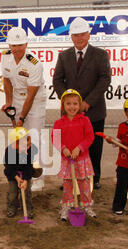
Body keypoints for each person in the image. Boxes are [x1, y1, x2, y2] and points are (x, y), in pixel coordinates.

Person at [53, 17, 111, 190]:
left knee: (94, 147)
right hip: (69, 113)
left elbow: (104, 79)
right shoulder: (64, 56)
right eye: (75, 35)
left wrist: (87, 103)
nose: (79, 38)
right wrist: (68, 103)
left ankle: (94, 178)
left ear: (89, 35)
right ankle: (70, 178)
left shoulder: (100, 55)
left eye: (82, 34)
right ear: (71, 36)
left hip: (94, 110)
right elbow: (57, 80)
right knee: (69, 146)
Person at [0, 27, 47, 192]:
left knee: (33, 138)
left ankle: (38, 177)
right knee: (17, 140)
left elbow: (31, 95)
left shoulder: (34, 64)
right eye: (14, 45)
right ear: (9, 45)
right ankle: (19, 174)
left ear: (26, 44)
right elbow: (6, 80)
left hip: (34, 101)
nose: (17, 49)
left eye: (20, 45)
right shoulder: (6, 58)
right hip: (18, 99)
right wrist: (8, 102)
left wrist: (21, 119)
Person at [52, 89, 96, 220]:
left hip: (82, 159)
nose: (72, 107)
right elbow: (55, 138)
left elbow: (90, 137)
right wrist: (63, 148)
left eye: (75, 104)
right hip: (67, 160)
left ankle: (87, 206)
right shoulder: (59, 123)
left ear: (80, 105)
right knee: (67, 185)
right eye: (69, 104)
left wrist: (79, 148)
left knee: (84, 184)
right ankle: (66, 207)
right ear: (63, 106)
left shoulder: (85, 120)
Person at [3, 127, 39, 218]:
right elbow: (8, 168)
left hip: (25, 172)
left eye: (28, 144)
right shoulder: (9, 151)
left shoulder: (29, 150)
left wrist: (26, 180)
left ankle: (28, 208)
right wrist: (16, 177)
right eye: (24, 145)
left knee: (27, 192)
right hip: (12, 174)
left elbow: (29, 167)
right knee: (13, 192)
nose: (27, 146)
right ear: (15, 144)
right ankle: (12, 208)